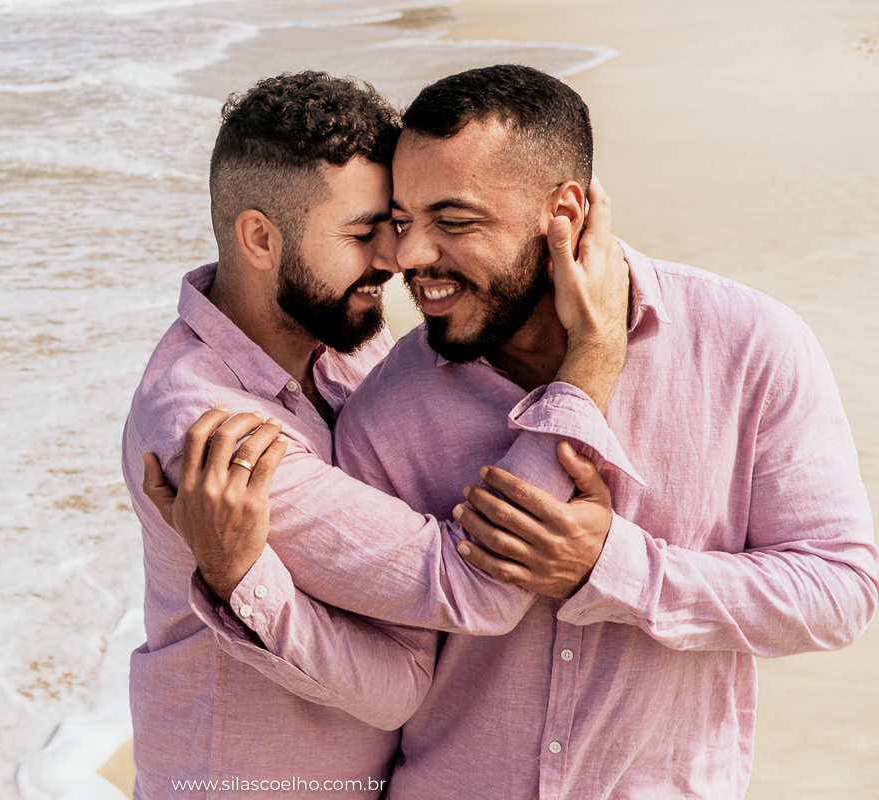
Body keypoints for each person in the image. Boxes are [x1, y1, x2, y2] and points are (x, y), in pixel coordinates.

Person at [155, 65, 879, 798]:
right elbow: (400, 672)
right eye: (401, 221)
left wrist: (618, 567)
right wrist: (238, 579)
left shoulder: (749, 345)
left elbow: (841, 591)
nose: (409, 258)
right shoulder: (381, 408)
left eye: (454, 222)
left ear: (563, 209)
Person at [122, 70, 632, 798]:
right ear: (260, 238)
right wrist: (591, 362)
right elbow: (471, 589)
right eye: (365, 234)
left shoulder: (345, 345)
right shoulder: (213, 430)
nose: (395, 260)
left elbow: (399, 680)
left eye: (393, 224)